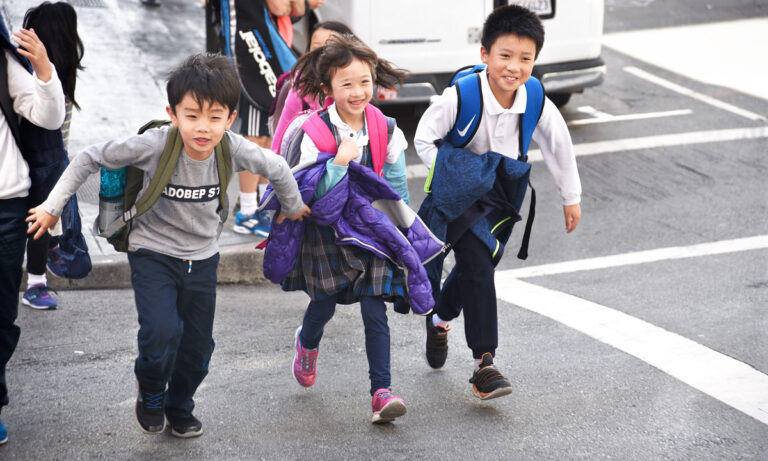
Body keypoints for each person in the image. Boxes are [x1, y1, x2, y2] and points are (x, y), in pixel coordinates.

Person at [27, 53, 310, 438]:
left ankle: (180, 406)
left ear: (230, 119)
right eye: (192, 115)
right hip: (153, 253)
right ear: (173, 113)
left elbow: (276, 168)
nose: (203, 128)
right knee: (160, 333)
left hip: (203, 258)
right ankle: (151, 390)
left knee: (197, 349)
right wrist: (51, 206)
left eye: (215, 117)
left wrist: (292, 209)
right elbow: (90, 156)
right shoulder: (156, 144)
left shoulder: (233, 147)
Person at [413, 5, 582, 399]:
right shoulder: (460, 96)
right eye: (505, 55)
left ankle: (438, 318)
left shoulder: (535, 97)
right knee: (476, 263)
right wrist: (455, 174)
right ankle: (484, 364)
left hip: (505, 194)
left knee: (479, 266)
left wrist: (570, 197)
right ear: (485, 54)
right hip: (459, 194)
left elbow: (558, 144)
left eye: (526, 58)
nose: (514, 67)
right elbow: (423, 138)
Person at [271, 35, 422, 424]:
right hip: (326, 230)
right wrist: (338, 163)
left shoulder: (386, 129)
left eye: (365, 82)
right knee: (324, 303)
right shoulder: (313, 132)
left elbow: (395, 188)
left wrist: (402, 230)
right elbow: (311, 195)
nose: (358, 92)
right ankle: (307, 343)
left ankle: (381, 392)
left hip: (370, 230)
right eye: (347, 84)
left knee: (375, 309)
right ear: (327, 89)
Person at [0, 18, 65, 445]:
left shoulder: (2, 62)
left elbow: (48, 115)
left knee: (2, 318)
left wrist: (43, 68)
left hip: (7, 205)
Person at [20, 1, 84, 310]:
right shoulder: (30, 74)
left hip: (46, 165)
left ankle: (36, 281)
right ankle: (36, 282)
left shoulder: (60, 74)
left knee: (41, 223)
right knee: (40, 223)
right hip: (30, 163)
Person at [229, 0, 305, 238]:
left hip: (267, 53)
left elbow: (297, 10)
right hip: (255, 56)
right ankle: (248, 212)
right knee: (255, 138)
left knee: (269, 138)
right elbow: (281, 7)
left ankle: (262, 206)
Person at [269, 20, 354, 151]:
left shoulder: (358, 84)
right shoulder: (301, 88)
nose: (322, 53)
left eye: (330, 47)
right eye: (316, 47)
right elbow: (282, 138)